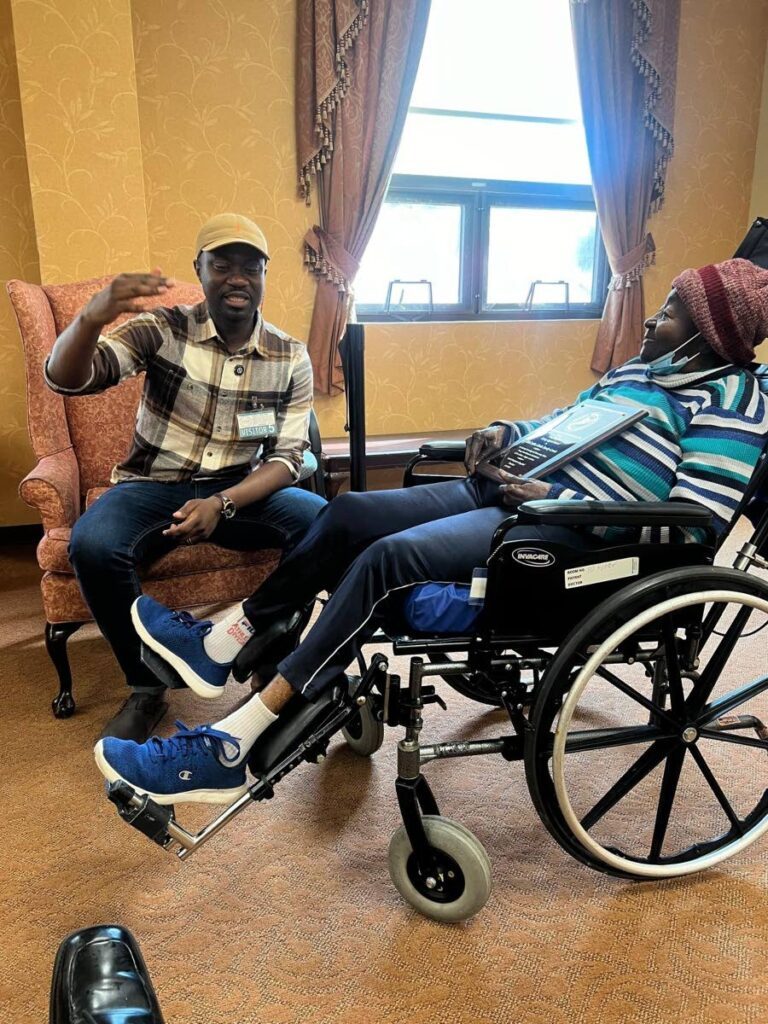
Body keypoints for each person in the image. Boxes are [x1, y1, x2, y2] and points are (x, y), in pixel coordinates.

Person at [93, 258, 768, 801]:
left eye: (674, 310)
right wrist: (505, 434)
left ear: (711, 332)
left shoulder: (733, 402)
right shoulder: (639, 372)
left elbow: (693, 527)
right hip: (514, 491)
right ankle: (226, 640)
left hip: (572, 534)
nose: (655, 315)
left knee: (389, 561)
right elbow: (559, 424)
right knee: (351, 511)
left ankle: (232, 746)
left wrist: (557, 498)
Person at [46, 213, 326, 741]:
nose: (236, 277)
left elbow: (290, 458)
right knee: (93, 544)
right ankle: (146, 686)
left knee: (326, 524)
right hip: (152, 485)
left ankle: (266, 655)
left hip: (240, 489)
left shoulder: (289, 354)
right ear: (200, 270)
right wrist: (88, 319)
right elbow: (69, 379)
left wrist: (223, 504)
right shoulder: (162, 328)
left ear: (265, 275)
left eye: (250, 266)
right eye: (221, 264)